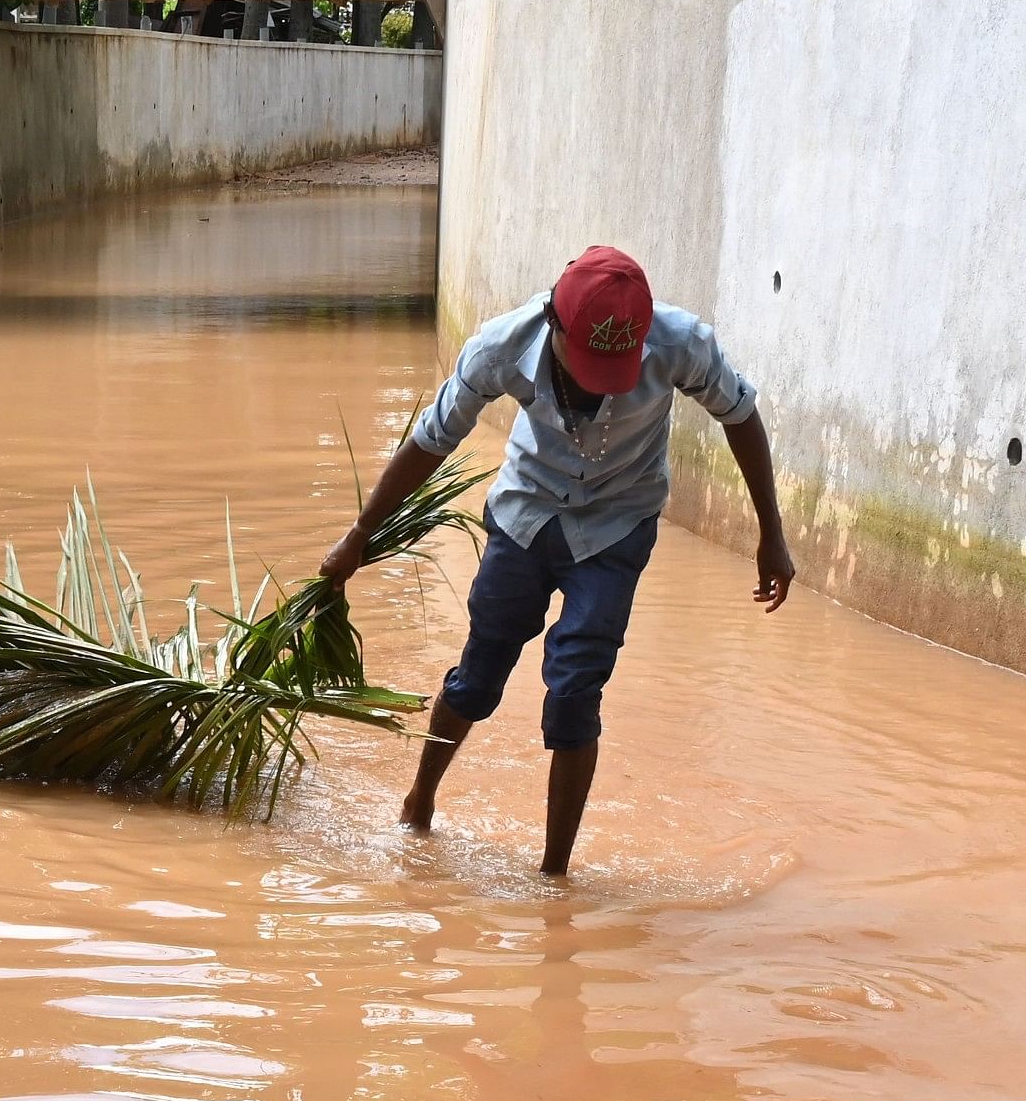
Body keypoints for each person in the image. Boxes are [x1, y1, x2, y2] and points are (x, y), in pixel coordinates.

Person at [317, 244, 795, 875]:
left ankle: (553, 876)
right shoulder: (502, 347)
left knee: (575, 689)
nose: (599, 384)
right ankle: (419, 802)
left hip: (616, 527)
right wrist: (358, 534)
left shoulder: (683, 345)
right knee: (480, 671)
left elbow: (741, 414)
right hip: (526, 514)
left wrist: (772, 531)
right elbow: (431, 440)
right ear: (555, 324)